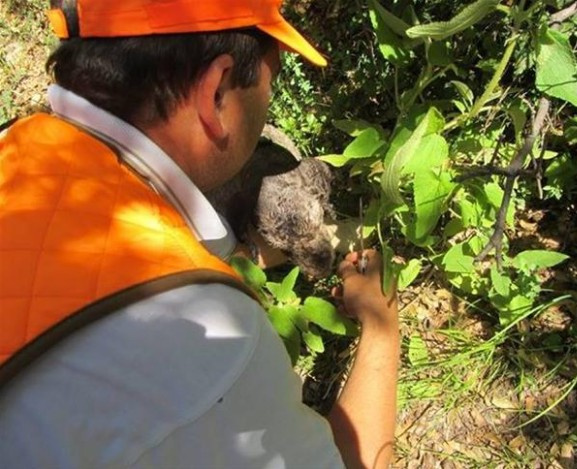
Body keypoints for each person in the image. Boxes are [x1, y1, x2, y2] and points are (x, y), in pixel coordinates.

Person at [0, 1, 399, 467]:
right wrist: (381, 327)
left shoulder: (15, 147)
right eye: (272, 79)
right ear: (216, 92)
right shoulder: (208, 339)